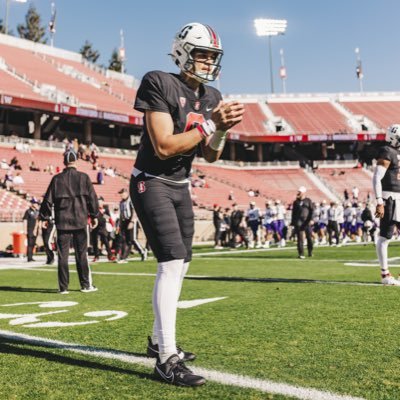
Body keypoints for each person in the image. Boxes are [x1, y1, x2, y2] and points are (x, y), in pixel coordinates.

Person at [130, 22, 244, 386]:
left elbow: (210, 155)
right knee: (171, 261)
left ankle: (156, 340)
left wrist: (222, 128)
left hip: (180, 185)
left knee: (181, 265)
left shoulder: (212, 96)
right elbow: (163, 145)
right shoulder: (158, 81)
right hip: (152, 180)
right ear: (182, 52)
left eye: (213, 56)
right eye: (202, 54)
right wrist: (211, 123)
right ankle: (166, 358)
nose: (208, 62)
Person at [39, 149, 99, 294]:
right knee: (81, 254)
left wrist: (45, 217)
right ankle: (86, 285)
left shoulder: (57, 179)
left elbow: (47, 200)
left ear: (64, 162)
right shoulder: (84, 178)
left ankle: (63, 287)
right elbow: (92, 199)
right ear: (76, 161)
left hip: (62, 222)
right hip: (80, 221)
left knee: (62, 256)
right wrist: (94, 215)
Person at [373, 124, 400, 285]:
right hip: (389, 197)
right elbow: (377, 177)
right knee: (385, 236)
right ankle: (385, 274)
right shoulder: (387, 151)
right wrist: (379, 201)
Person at [117, 188, 147, 263]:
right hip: (125, 221)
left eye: (122, 193)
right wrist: (120, 224)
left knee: (133, 239)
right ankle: (124, 257)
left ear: (126, 193)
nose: (121, 195)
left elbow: (134, 211)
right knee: (126, 240)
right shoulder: (121, 202)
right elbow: (121, 214)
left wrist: (132, 221)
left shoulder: (131, 200)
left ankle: (143, 251)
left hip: (131, 220)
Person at [291, 186, 314, 259]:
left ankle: (310, 251)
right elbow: (293, 213)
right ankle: (301, 253)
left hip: (307, 221)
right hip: (299, 222)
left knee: (309, 237)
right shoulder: (296, 202)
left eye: (300, 192)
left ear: (303, 193)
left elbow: (312, 210)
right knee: (300, 238)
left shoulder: (308, 200)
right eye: (298, 192)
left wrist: (311, 219)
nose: (298, 193)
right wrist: (293, 222)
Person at [91, 197, 116, 262]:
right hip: (95, 227)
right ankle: (96, 256)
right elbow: (91, 216)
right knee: (95, 242)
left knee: (106, 241)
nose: (99, 203)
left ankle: (110, 255)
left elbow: (109, 217)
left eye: (101, 202)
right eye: (98, 202)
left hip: (102, 227)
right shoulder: (94, 208)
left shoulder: (106, 208)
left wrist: (113, 225)